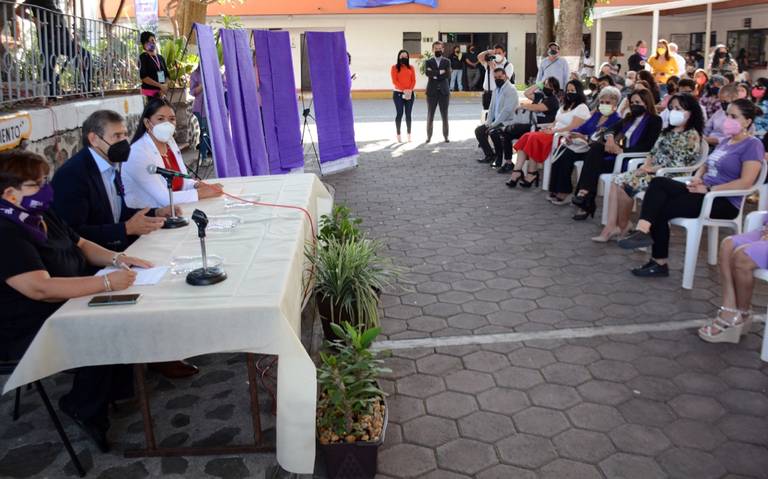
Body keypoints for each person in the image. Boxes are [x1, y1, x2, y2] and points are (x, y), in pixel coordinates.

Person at [0, 149, 148, 452]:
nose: (46, 189)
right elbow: (39, 289)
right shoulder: (6, 233)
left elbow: (80, 244)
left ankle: (110, 390)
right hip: (28, 321)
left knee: (124, 308)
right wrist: (104, 282)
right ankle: (83, 405)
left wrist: (119, 258)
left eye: (44, 181)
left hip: (64, 298)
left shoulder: (39, 213)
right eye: (36, 184)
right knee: (103, 325)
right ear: (9, 194)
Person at [50, 111, 201, 379]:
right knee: (153, 283)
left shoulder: (109, 163)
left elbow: (116, 211)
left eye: (124, 135)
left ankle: (157, 350)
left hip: (114, 250)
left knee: (168, 263)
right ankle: (148, 355)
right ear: (94, 139)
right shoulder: (73, 175)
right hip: (84, 264)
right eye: (116, 136)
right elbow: (72, 233)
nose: (123, 141)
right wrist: (125, 230)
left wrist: (156, 212)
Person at [618, 99, 765, 277]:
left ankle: (658, 261)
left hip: (722, 201)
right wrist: (697, 178)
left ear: (747, 122)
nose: (727, 119)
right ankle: (643, 232)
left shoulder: (753, 145)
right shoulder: (726, 141)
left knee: (660, 207)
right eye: (727, 114)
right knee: (658, 183)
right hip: (702, 190)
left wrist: (710, 190)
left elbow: (746, 182)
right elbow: (706, 164)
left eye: (733, 116)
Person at [594, 93, 703, 242]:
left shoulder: (691, 135)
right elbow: (652, 152)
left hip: (668, 177)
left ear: (690, 112)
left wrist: (653, 169)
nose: (673, 112)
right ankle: (613, 226)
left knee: (625, 183)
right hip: (652, 171)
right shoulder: (667, 131)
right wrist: (646, 165)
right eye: (671, 108)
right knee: (616, 180)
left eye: (678, 108)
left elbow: (679, 164)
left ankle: (623, 225)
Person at [571, 89, 663, 219]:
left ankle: (585, 199)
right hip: (620, 156)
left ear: (647, 102)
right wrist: (609, 138)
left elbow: (648, 146)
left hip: (634, 159)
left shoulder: (655, 120)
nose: (634, 105)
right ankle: (585, 195)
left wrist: (622, 151)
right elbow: (611, 129)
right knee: (596, 149)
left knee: (592, 164)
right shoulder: (630, 117)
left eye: (638, 102)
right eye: (632, 102)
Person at [123, 98, 223, 209]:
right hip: (148, 217)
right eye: (160, 119)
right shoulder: (138, 153)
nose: (167, 124)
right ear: (147, 123)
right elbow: (165, 199)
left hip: (178, 209)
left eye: (172, 119)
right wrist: (202, 193)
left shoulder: (169, 142)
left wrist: (196, 185)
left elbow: (182, 181)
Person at [506, 79, 591, 188]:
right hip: (553, 133)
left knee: (532, 137)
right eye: (568, 90)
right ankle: (517, 170)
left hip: (563, 137)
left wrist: (553, 131)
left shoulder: (582, 107)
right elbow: (555, 122)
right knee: (527, 136)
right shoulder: (564, 106)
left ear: (579, 91)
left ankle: (531, 173)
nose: (569, 92)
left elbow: (572, 127)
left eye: (573, 90)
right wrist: (547, 128)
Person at [547, 86, 623, 204]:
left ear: (615, 103)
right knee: (562, 152)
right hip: (583, 146)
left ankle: (564, 191)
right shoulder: (596, 115)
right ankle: (555, 188)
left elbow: (600, 139)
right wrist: (572, 134)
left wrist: (584, 137)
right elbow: (582, 127)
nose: (604, 104)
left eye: (608, 102)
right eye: (601, 102)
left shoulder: (617, 120)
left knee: (568, 156)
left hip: (597, 152)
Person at [496, 77, 561, 174]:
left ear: (555, 89)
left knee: (509, 129)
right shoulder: (540, 96)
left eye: (549, 86)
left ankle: (517, 165)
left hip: (539, 127)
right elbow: (526, 93)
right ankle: (508, 162)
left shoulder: (553, 100)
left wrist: (523, 106)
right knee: (506, 134)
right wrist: (538, 85)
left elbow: (538, 108)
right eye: (545, 85)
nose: (546, 87)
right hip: (528, 124)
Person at [474, 68, 519, 167]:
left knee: (493, 132)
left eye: (500, 77)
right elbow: (491, 108)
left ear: (505, 76)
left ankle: (499, 158)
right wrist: (488, 123)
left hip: (508, 121)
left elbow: (506, 111)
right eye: (495, 78)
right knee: (479, 131)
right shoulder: (496, 90)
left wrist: (493, 125)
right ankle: (490, 155)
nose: (497, 79)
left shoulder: (511, 90)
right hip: (497, 121)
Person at [424, 41, 451, 144]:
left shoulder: (447, 61)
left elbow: (448, 74)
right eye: (436, 48)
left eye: (440, 48)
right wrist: (440, 72)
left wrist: (434, 73)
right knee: (430, 115)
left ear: (443, 49)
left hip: (444, 92)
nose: (438, 50)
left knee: (445, 115)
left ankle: (446, 136)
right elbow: (428, 73)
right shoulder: (428, 61)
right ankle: (429, 137)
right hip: (431, 92)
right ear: (432, 50)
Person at [391, 49, 416, 143]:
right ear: (399, 57)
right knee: (399, 113)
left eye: (406, 56)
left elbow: (413, 80)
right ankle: (398, 134)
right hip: (398, 94)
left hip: (410, 94)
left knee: (408, 114)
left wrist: (409, 90)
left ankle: (409, 134)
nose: (404, 57)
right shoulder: (394, 67)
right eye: (402, 56)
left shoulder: (411, 68)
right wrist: (404, 90)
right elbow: (395, 81)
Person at [703, 83, 739, 148]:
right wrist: (702, 136)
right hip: (708, 143)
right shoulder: (719, 112)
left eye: (725, 102)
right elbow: (707, 127)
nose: (722, 104)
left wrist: (709, 140)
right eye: (721, 101)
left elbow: (731, 139)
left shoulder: (739, 117)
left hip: (724, 147)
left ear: (735, 99)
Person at [478, 44, 514, 109]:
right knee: (487, 114)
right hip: (487, 93)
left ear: (504, 53)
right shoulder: (490, 62)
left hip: (499, 94)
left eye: (499, 53)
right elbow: (479, 57)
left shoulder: (508, 65)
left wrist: (494, 69)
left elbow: (505, 80)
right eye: (495, 53)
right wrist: (488, 51)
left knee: (498, 115)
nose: (497, 55)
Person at [189, 66, 211, 164]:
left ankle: (212, 154)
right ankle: (204, 157)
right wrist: (201, 86)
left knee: (210, 133)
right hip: (200, 109)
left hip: (212, 108)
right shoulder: (195, 74)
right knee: (203, 133)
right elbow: (192, 92)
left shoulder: (213, 71)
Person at [139, 31, 169, 100]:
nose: (151, 43)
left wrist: (164, 86)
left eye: (153, 40)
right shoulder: (143, 57)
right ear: (144, 45)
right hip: (148, 94)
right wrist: (160, 85)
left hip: (161, 94)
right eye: (148, 42)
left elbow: (167, 75)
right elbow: (144, 77)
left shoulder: (160, 58)